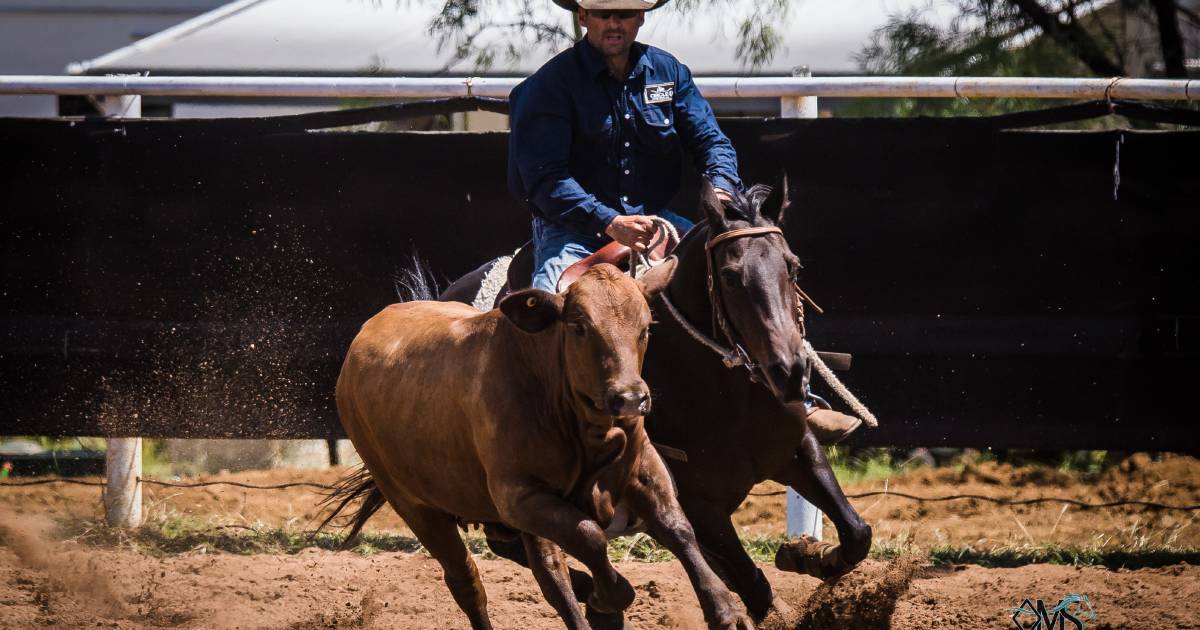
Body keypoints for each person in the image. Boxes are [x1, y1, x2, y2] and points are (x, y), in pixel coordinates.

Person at [506, 0, 859, 442]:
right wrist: (610, 221)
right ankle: (540, 437)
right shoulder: (551, 86)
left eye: (624, 13)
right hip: (573, 232)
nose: (613, 23)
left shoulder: (667, 72)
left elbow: (711, 140)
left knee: (747, 273)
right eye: (602, 13)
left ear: (641, 18)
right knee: (556, 304)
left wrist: (724, 189)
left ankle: (797, 401)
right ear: (583, 18)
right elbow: (544, 180)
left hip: (658, 224)